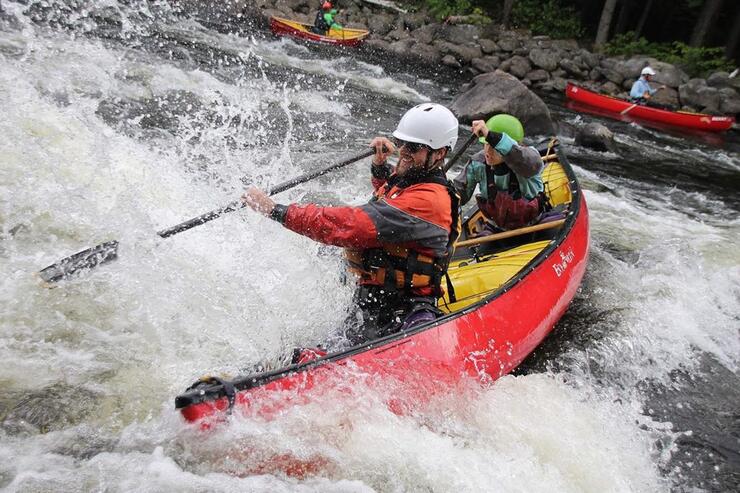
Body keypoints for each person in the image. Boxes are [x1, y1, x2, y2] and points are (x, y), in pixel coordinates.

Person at [242, 103, 460, 348]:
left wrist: (276, 211)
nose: (404, 152)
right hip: (372, 304)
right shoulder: (412, 180)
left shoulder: (429, 200)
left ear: (440, 153)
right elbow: (388, 196)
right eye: (401, 143)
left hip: (407, 310)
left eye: (414, 147)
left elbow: (353, 226)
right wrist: (380, 166)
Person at [453, 114, 547, 232]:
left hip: (535, 226)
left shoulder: (529, 159)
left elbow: (522, 158)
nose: (487, 151)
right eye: (486, 144)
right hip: (497, 229)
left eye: (493, 146)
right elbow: (458, 196)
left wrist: (491, 136)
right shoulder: (478, 163)